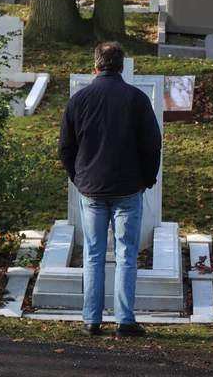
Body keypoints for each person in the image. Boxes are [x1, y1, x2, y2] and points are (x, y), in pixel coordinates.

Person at [58, 42, 162, 337]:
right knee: (126, 254)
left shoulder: (79, 100)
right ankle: (125, 320)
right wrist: (147, 179)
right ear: (122, 67)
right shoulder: (136, 99)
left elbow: (65, 148)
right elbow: (152, 145)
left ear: (96, 67)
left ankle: (91, 320)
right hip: (128, 188)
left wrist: (78, 178)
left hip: (91, 188)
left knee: (93, 254)